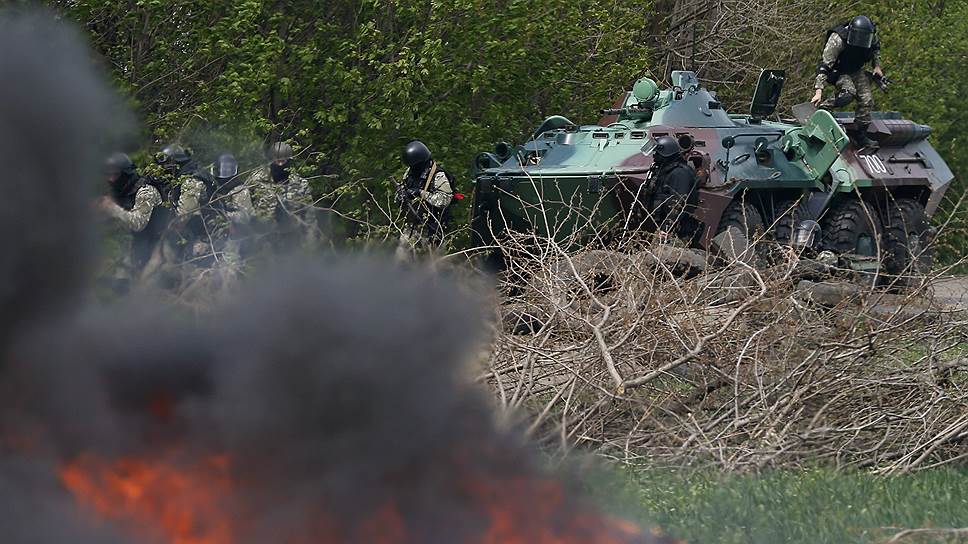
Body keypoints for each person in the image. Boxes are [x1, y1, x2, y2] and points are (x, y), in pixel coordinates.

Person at [810, 15, 883, 148]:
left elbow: (876, 49)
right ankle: (824, 108)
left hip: (856, 69)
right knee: (848, 93)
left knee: (867, 100)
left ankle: (861, 134)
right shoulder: (838, 39)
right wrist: (818, 90)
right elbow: (824, 66)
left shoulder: (870, 36)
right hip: (839, 69)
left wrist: (876, 66)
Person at [97, 152, 164, 285]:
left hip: (158, 243)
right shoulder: (121, 191)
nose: (110, 179)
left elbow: (138, 224)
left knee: (146, 287)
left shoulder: (145, 191)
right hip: (135, 243)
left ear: (125, 174)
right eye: (107, 175)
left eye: (115, 174)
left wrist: (111, 207)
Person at [244, 141, 319, 250]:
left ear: (289, 161)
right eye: (277, 161)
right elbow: (243, 202)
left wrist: (310, 247)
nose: (280, 165)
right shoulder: (256, 180)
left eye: (283, 161)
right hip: (262, 241)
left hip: (291, 242)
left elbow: (310, 218)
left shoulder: (299, 184)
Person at [395, 140, 454, 259]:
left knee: (433, 266)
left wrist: (420, 193)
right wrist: (402, 196)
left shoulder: (438, 176)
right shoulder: (409, 173)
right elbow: (403, 190)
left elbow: (444, 200)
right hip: (412, 226)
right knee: (401, 259)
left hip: (432, 229)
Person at [648, 136, 699, 241]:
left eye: (657, 154)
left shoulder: (679, 173)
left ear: (665, 154)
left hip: (676, 231)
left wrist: (666, 228)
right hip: (663, 226)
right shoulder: (665, 170)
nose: (654, 156)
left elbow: (678, 204)